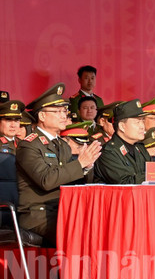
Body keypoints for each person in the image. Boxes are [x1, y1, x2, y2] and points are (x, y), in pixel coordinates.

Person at [16, 83, 101, 245]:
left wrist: (86, 167)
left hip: (64, 210)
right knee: (81, 232)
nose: (64, 116)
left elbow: (75, 183)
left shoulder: (62, 145)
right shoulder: (29, 146)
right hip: (39, 215)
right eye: (58, 112)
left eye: (65, 111)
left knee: (102, 224)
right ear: (42, 116)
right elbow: (46, 180)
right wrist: (80, 163)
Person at [95, 100, 155, 184]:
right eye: (137, 122)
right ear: (122, 126)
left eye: (142, 121)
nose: (142, 126)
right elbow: (125, 183)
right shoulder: (108, 152)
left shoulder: (139, 147)